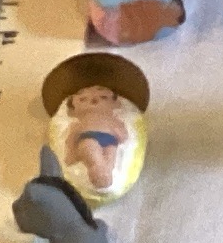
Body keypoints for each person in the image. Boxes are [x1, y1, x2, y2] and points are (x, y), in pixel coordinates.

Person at [41, 52, 150, 206]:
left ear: (116, 104)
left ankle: (106, 173)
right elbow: (72, 137)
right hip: (87, 138)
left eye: (103, 97)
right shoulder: (80, 123)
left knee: (111, 154)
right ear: (73, 110)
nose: (93, 99)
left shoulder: (113, 119)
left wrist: (122, 137)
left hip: (111, 141)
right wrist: (71, 153)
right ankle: (97, 170)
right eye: (82, 99)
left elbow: (122, 134)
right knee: (90, 149)